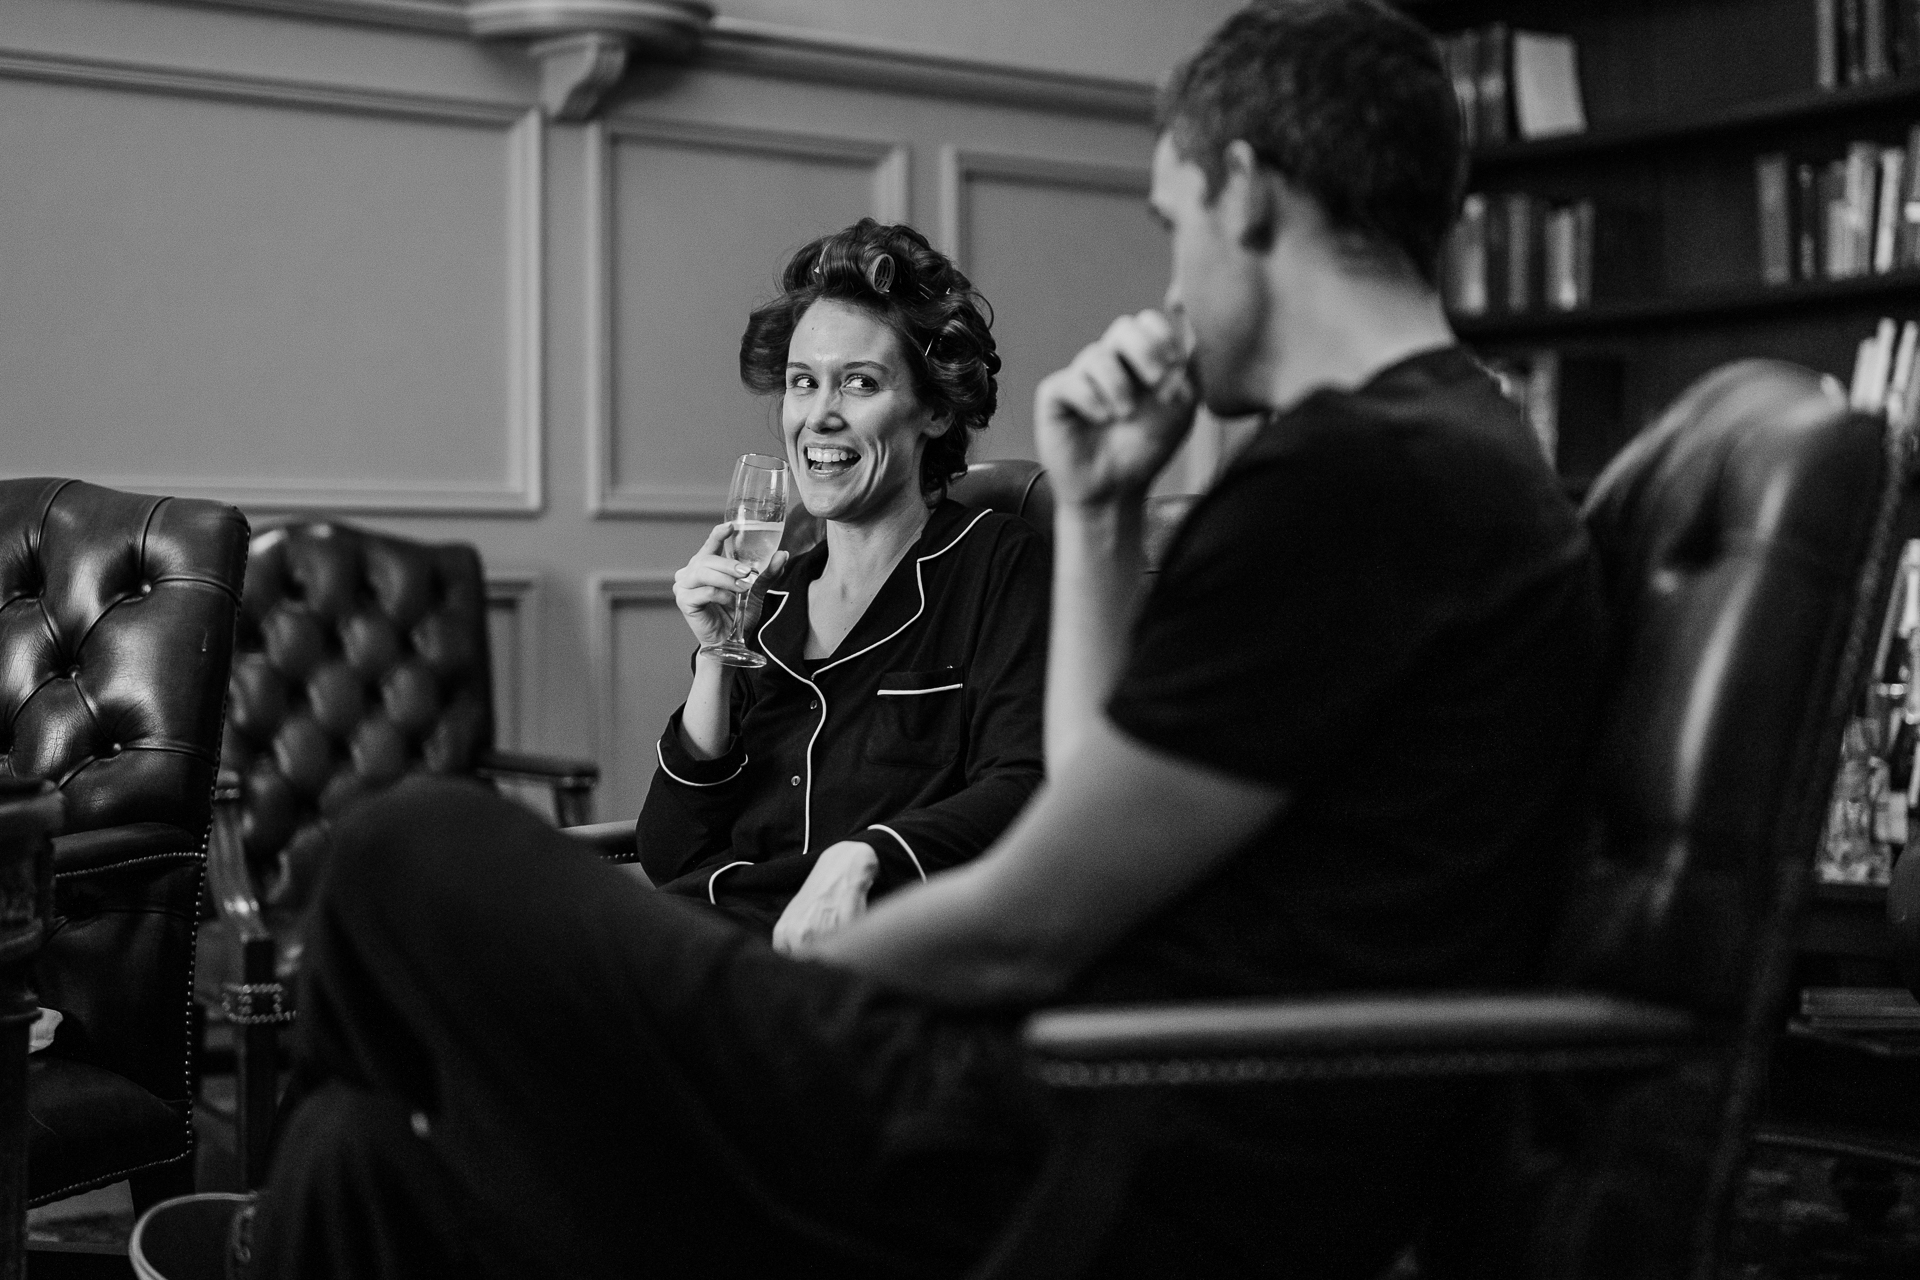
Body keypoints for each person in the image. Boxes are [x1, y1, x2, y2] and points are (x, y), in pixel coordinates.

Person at [160, 2, 1608, 1276]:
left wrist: (745, 1012)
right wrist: (1101, 507)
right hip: (1047, 1084)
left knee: (405, 848)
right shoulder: (1436, 449)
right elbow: (1100, 799)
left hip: (1036, 1123)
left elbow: (1044, 894)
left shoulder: (1360, 480)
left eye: (1172, 224)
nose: (1171, 280)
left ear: (1245, 189)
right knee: (354, 1160)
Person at [640, 219, 1048, 950]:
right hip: (700, 942)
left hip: (842, 972)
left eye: (859, 382)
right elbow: (672, 851)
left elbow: (1024, 785)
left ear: (937, 408)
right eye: (803, 383)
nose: (818, 415)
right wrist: (715, 658)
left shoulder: (997, 565)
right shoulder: (769, 602)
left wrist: (868, 855)